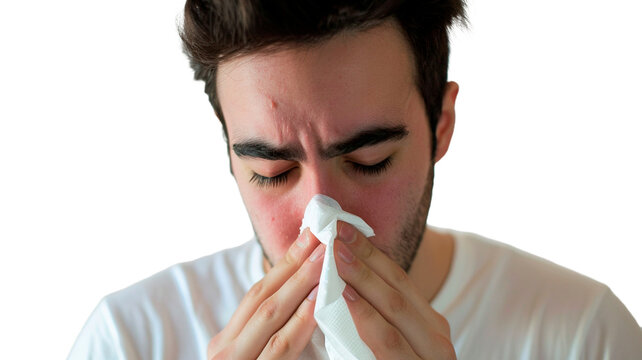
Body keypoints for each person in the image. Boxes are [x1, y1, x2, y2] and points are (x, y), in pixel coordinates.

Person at [68, 0, 642, 359]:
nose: (324, 220)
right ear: (229, 155)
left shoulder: (583, 337)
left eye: (369, 161)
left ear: (440, 126)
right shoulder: (128, 341)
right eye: (272, 172)